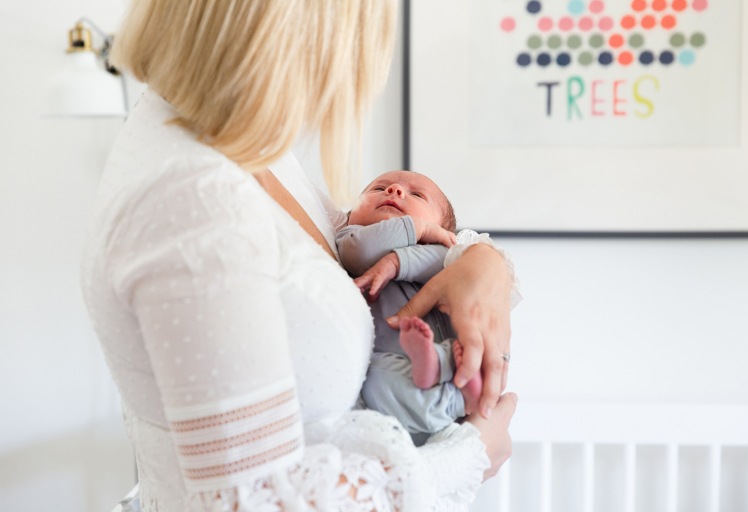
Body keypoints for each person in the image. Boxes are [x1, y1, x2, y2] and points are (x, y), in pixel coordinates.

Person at [81, 1, 518, 510]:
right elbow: (255, 501)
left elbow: (376, 237)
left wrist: (482, 262)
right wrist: (467, 457)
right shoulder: (196, 198)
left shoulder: (248, 152)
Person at [336, 171, 523, 446]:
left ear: (442, 231)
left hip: (449, 352)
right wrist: (419, 228)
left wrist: (399, 260)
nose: (396, 190)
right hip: (396, 375)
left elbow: (444, 259)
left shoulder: (448, 254)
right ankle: (449, 393)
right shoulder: (351, 236)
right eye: (379, 188)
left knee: (469, 347)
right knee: (376, 378)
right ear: (351, 214)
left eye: (417, 195)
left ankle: (450, 377)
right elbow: (363, 250)